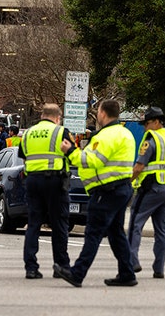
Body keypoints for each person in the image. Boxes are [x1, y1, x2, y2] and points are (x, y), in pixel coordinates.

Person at [54, 99, 138, 288]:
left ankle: (77, 273)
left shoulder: (106, 136)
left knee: (93, 232)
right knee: (116, 233)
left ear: (103, 113)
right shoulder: (126, 133)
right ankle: (127, 273)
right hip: (122, 188)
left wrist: (70, 151)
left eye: (98, 111)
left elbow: (91, 160)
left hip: (106, 191)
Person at [127, 107, 165, 279]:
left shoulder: (151, 139)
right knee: (162, 230)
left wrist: (126, 182)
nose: (145, 127)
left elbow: (139, 167)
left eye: (147, 123)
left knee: (135, 224)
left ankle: (132, 261)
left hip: (151, 188)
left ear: (157, 122)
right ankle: (159, 269)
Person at [18, 104, 73, 279]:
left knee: (34, 224)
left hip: (32, 180)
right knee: (59, 224)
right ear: (58, 117)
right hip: (54, 181)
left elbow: (24, 157)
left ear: (42, 115)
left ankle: (31, 268)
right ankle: (61, 266)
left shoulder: (28, 133)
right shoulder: (61, 132)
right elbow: (71, 154)